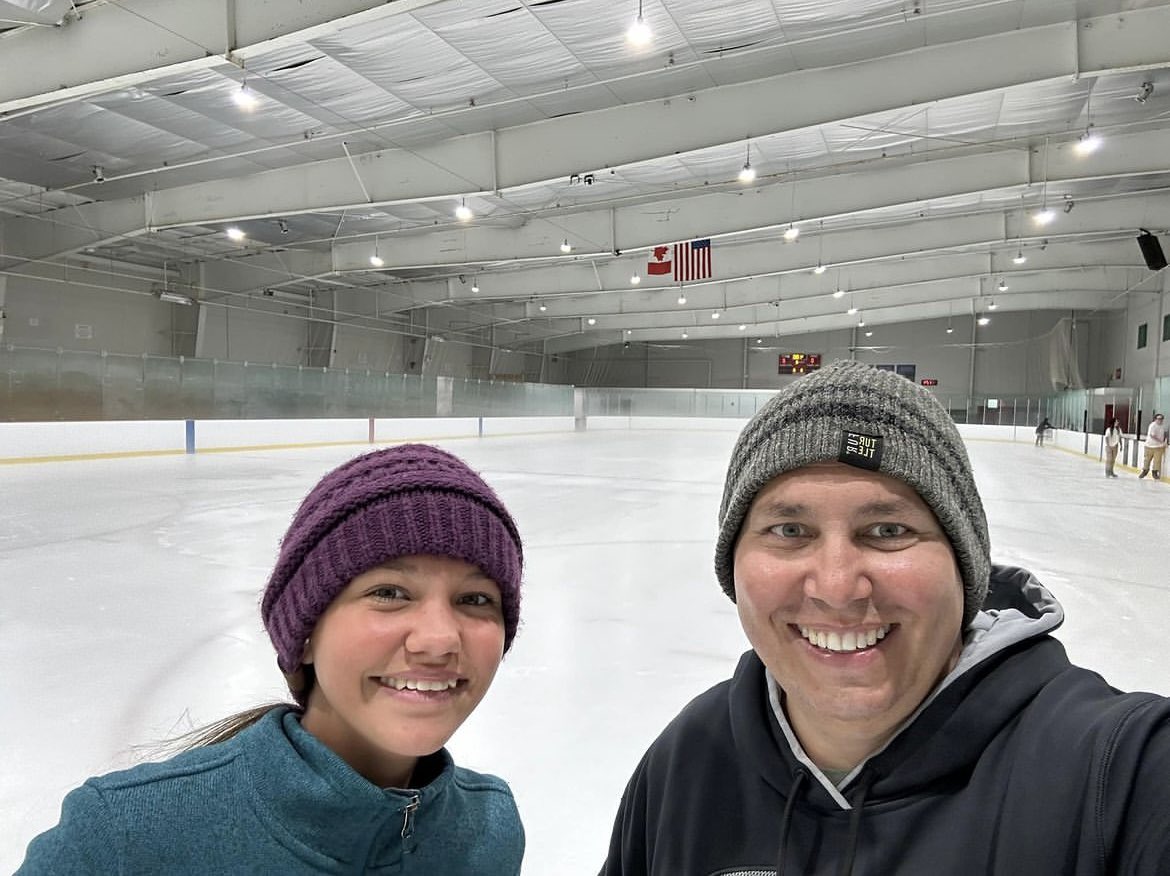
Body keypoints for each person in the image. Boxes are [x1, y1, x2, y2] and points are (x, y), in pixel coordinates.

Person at [600, 360, 1170, 876]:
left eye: (889, 531)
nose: (837, 588)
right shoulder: (689, 761)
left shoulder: (1122, 775)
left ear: (962, 565)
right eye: (789, 531)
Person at [18, 444, 526, 875]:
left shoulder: (490, 829)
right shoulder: (120, 840)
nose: (438, 640)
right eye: (390, 591)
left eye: (476, 599)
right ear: (304, 632)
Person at [1138, 412, 1168, 479]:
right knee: (1147, 459)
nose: (1160, 420)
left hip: (1158, 447)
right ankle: (1145, 471)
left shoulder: (1163, 426)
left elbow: (1165, 434)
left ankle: (1154, 472)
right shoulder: (1153, 425)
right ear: (1155, 419)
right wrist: (1161, 441)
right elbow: (1152, 435)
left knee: (1157, 460)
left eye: (1162, 419)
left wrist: (1165, 441)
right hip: (1149, 446)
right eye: (1159, 419)